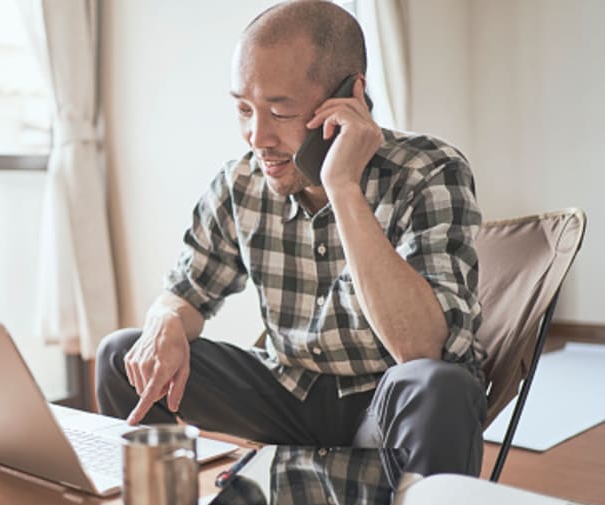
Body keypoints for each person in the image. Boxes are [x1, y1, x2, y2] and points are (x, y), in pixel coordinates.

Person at [96, 0, 487, 477]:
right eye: (243, 109)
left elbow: (420, 348)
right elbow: (183, 294)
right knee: (123, 355)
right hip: (288, 394)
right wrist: (166, 322)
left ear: (351, 96)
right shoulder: (240, 184)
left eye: (279, 111)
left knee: (441, 387)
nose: (256, 136)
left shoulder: (430, 171)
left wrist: (341, 184)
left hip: (386, 402)